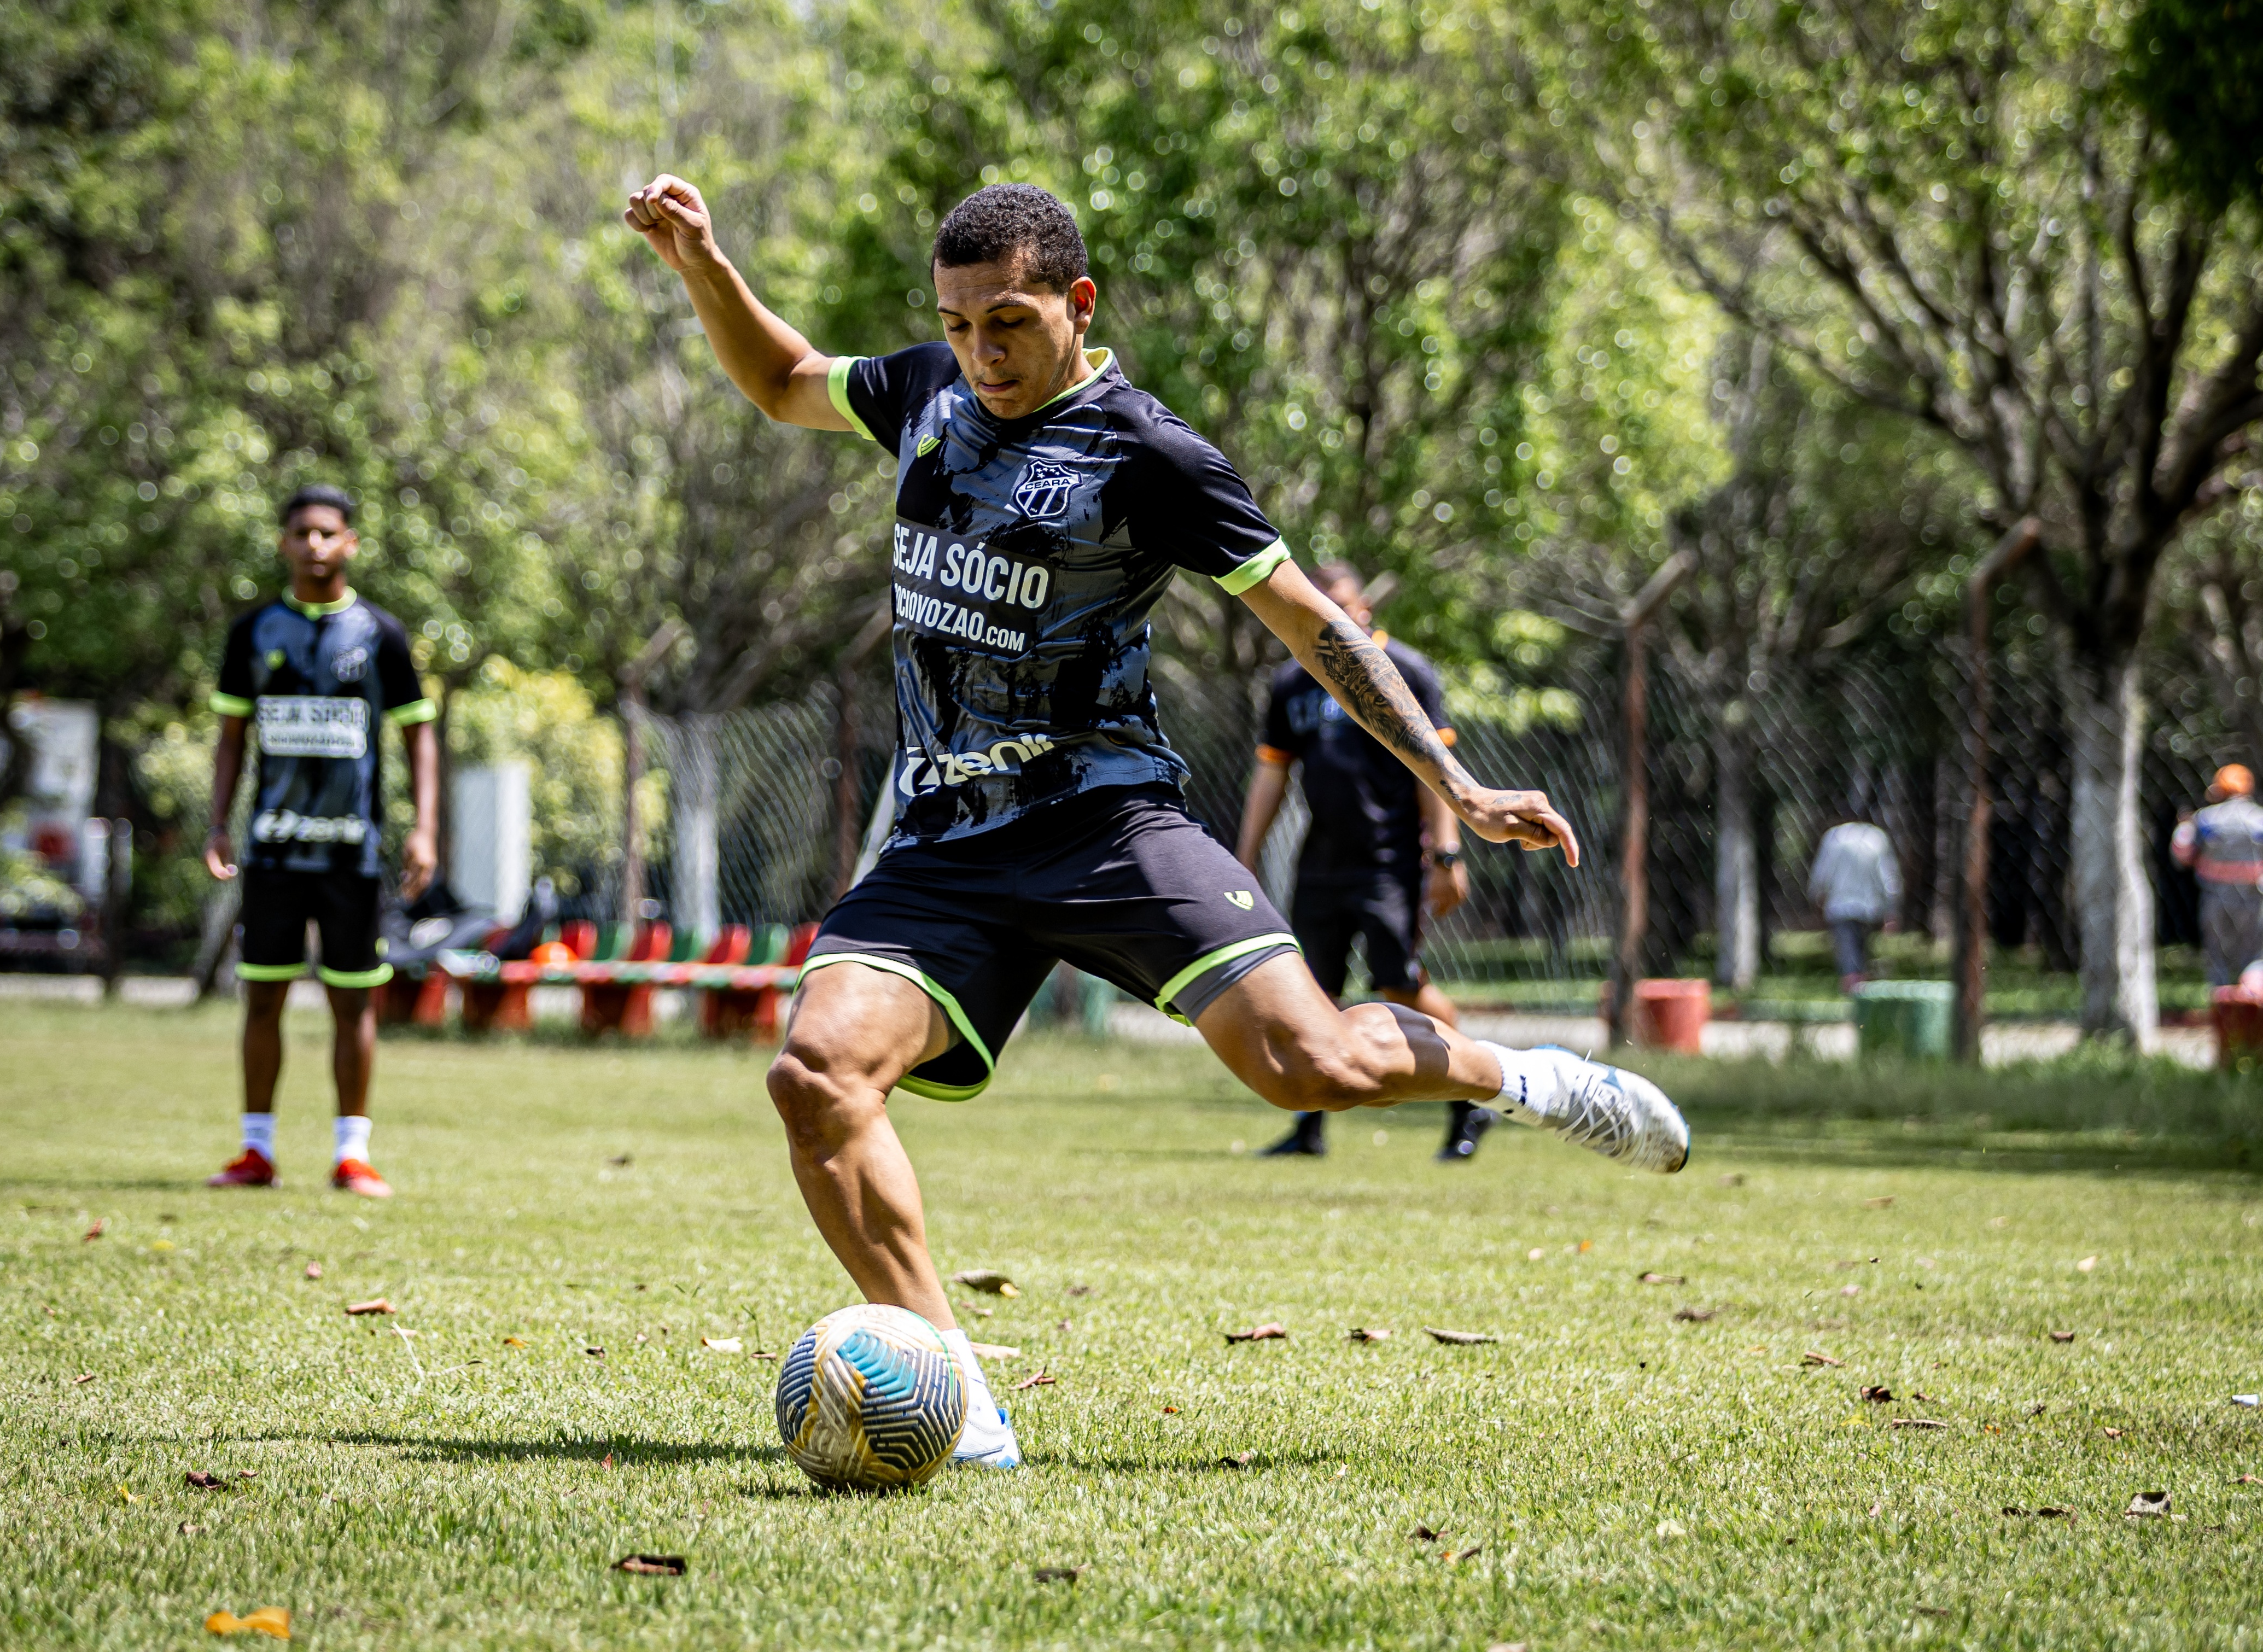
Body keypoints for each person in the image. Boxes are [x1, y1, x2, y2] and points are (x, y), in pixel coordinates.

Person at [625, 174, 1689, 1472]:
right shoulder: (924, 397)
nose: (980, 352)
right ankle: (955, 1393)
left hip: (1110, 824)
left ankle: (1526, 1078)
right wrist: (702, 267)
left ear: (1078, 303)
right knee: (815, 1074)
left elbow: (1310, 621)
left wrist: (1449, 780)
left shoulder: (1149, 454)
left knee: (1314, 1068)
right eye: (958, 325)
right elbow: (785, 377)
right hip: (945, 841)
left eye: (1008, 321)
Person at [202, 484, 439, 1197]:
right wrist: (218, 823)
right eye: (301, 532)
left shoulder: (380, 634)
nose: (314, 545)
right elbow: (231, 737)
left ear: (350, 544)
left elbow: (417, 732)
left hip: (352, 856)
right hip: (273, 852)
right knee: (263, 1000)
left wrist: (424, 827)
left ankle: (352, 1154)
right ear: (284, 543)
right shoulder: (253, 634)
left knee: (352, 1004)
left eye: (327, 533)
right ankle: (256, 1151)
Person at [1234, 561, 1495, 1163]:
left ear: (1364, 610)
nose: (1330, 616)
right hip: (1320, 864)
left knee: (1398, 988)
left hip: (1390, 864)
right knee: (1310, 998)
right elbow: (1272, 772)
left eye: (1341, 606)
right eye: (1317, 606)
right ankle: (1308, 1130)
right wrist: (1243, 858)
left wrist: (1446, 854)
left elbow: (1436, 774)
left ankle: (1474, 1096)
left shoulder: (1405, 673)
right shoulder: (1293, 683)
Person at [2170, 764, 2263, 986]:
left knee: (2217, 956)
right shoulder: (2259, 819)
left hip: (2215, 896)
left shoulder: (2205, 820)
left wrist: (2182, 827)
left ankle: (2221, 1008)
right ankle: (2251, 1006)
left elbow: (2182, 855)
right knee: (2255, 956)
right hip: (2255, 897)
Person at [1807, 814, 1900, 990]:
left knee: (1848, 953)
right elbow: (1888, 877)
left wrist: (1817, 896)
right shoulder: (1877, 837)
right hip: (1869, 907)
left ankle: (1853, 989)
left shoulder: (1834, 837)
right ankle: (1861, 990)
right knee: (1861, 952)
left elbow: (1822, 874)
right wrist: (1891, 908)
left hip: (1840, 906)